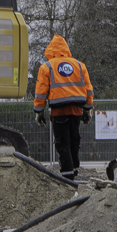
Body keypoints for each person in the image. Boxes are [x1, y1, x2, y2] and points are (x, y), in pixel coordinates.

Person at [33, 34, 94, 180]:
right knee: (74, 141)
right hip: (76, 110)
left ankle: (67, 176)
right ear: (66, 49)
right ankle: (74, 170)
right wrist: (87, 109)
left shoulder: (47, 67)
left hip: (58, 111)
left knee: (62, 142)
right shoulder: (80, 65)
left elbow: (41, 92)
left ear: (50, 50)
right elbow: (88, 90)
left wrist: (39, 112)